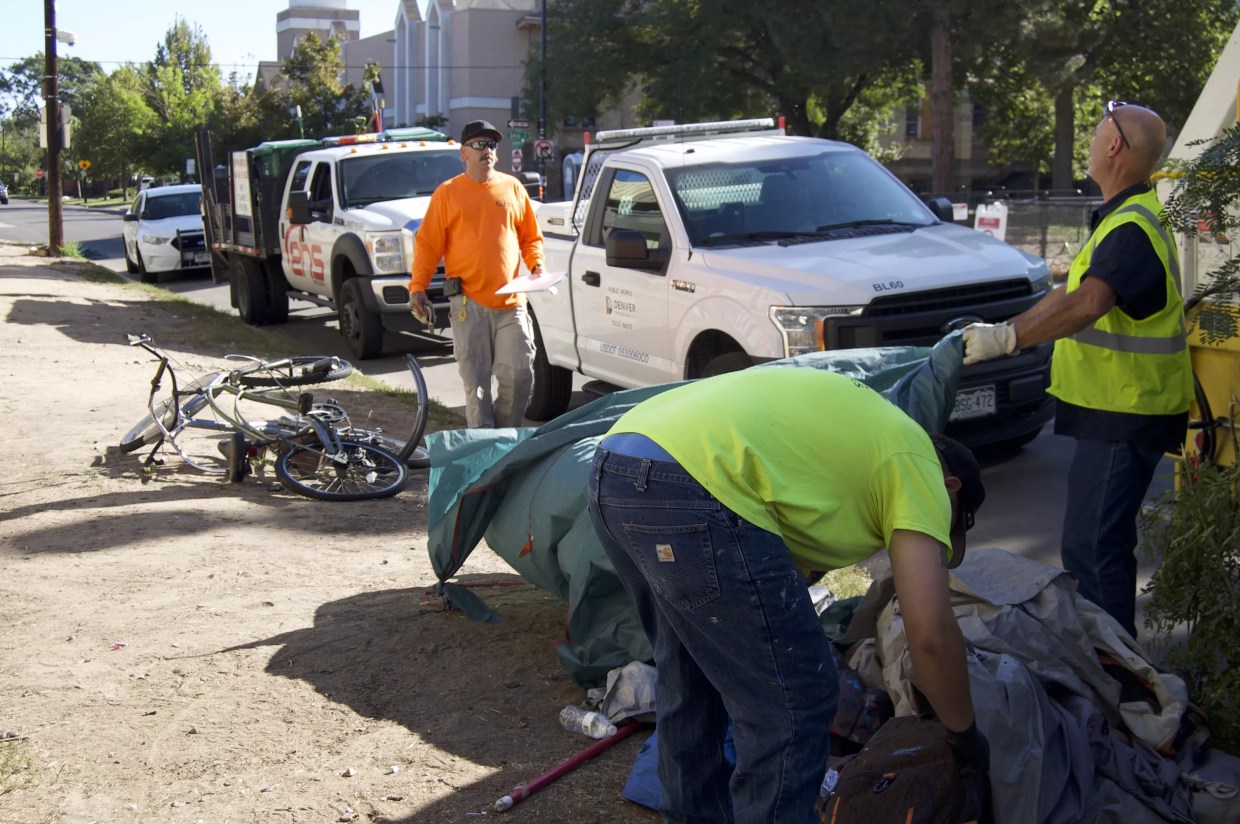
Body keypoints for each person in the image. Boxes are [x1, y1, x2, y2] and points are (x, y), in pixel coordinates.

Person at [586, 367, 990, 823]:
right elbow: (931, 634)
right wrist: (964, 733)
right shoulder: (919, 467)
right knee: (794, 700)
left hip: (616, 462)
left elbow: (765, 584)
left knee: (691, 674)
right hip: (692, 481)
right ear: (951, 490)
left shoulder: (863, 438)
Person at [962, 101, 1192, 639]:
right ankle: (1115, 675)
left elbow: (1088, 303)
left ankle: (1121, 684)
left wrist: (1008, 337)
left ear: (1113, 146)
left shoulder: (1133, 225)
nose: (1090, 138)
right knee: (1092, 546)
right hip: (1115, 408)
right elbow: (1070, 292)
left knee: (1094, 548)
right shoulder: (1121, 218)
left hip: (1125, 410)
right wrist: (1000, 335)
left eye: (1097, 130)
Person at [408, 120, 545, 428]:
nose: (488, 151)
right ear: (464, 154)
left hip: (512, 302)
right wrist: (417, 287)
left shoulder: (512, 188)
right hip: (468, 305)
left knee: (521, 376)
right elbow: (428, 245)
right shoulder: (447, 194)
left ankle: (503, 443)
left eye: (492, 145)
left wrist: (537, 266)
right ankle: (485, 460)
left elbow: (530, 238)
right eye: (480, 145)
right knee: (477, 388)